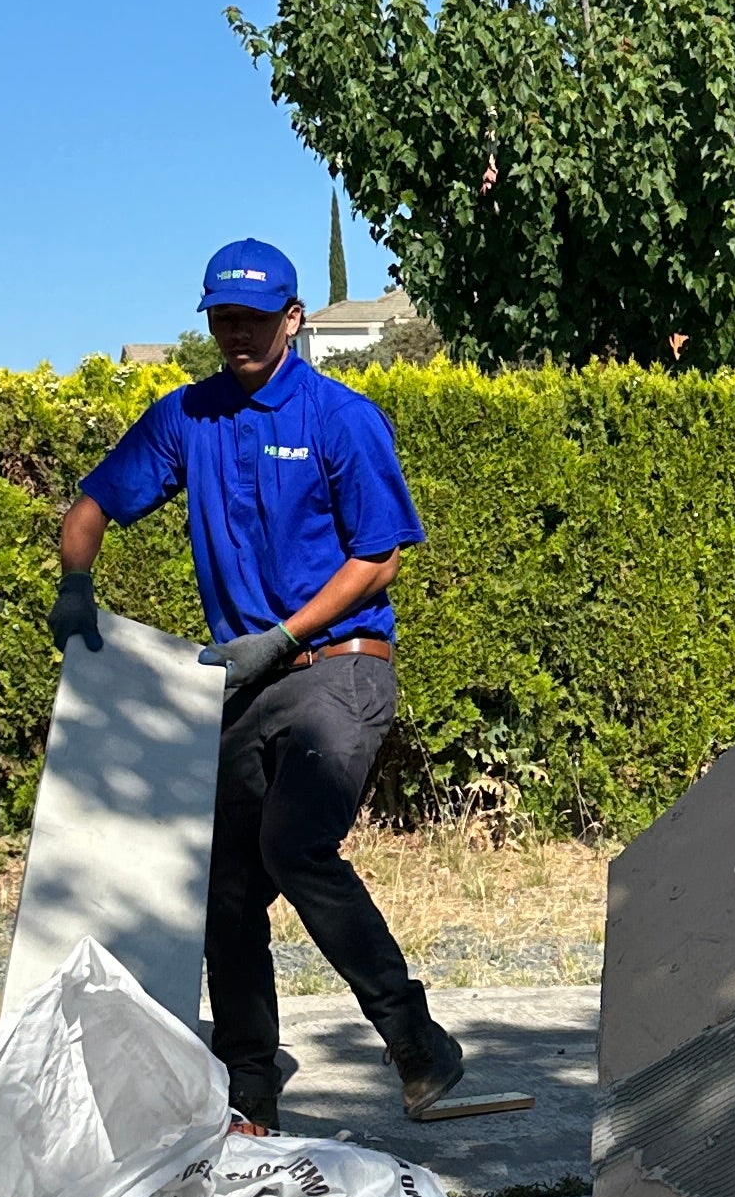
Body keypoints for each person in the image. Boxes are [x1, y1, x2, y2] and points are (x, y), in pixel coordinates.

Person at [49, 238, 466, 1129]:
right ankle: (249, 1081)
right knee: (224, 886)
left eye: (253, 317)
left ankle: (416, 1043)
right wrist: (75, 587)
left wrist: (279, 636)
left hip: (338, 671)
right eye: (221, 319)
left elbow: (378, 558)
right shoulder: (186, 419)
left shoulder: (339, 418)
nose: (235, 333)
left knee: (294, 847)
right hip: (244, 687)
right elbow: (88, 510)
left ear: (293, 318)